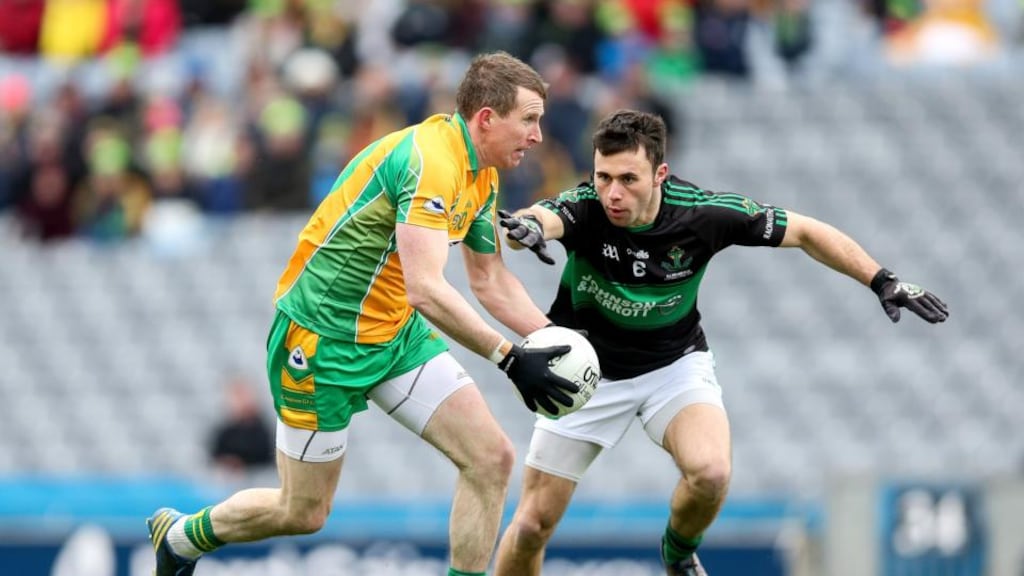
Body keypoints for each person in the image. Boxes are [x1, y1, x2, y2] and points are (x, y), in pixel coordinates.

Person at [146, 51, 580, 576]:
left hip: (394, 334)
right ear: (487, 118)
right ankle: (181, 536)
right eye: (529, 119)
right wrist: (510, 358)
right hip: (320, 342)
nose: (537, 135)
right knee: (303, 512)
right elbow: (426, 288)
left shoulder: (481, 172)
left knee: (492, 460)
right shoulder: (431, 162)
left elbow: (490, 280)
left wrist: (562, 342)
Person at [493, 109, 948, 576]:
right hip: (587, 374)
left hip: (672, 366)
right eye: (603, 176)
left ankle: (677, 552)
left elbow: (808, 231)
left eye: (629, 178)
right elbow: (544, 215)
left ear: (660, 174)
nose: (613, 192)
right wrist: (528, 226)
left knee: (711, 473)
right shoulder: (587, 205)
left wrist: (881, 279)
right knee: (531, 528)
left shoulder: (703, 213)